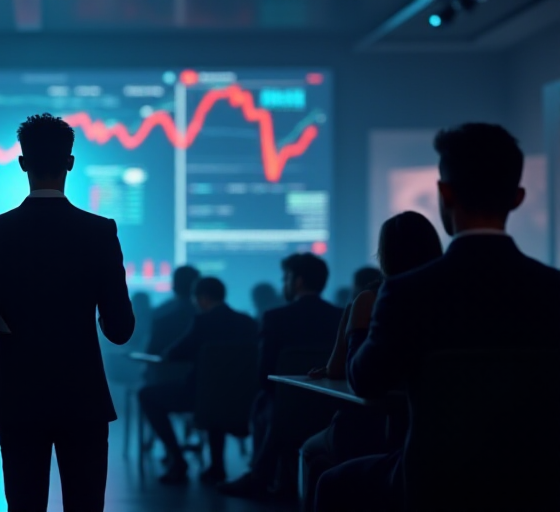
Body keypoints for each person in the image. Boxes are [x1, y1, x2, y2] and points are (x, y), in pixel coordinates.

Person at [316, 124, 560, 512]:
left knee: (331, 483)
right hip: (541, 481)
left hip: (433, 480)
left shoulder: (407, 292)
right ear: (517, 198)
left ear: (444, 193)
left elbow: (366, 381)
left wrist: (359, 324)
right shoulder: (553, 289)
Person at [0, 113, 136, 512]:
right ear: (70, 163)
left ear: (22, 163)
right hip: (83, 398)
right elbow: (120, 330)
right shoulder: (100, 232)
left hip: (18, 399)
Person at [300, 212, 442, 511]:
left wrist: (353, 319)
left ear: (385, 254)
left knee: (312, 453)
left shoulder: (371, 300)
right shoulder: (447, 299)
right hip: (440, 439)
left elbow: (352, 375)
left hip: (374, 430)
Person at [218, 252, 342, 497]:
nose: (283, 284)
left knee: (264, 400)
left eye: (285, 278)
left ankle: (260, 474)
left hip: (285, 409)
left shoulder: (275, 318)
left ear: (297, 281)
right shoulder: (340, 316)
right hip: (332, 406)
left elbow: (265, 374)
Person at [138, 277, 258, 484]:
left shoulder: (203, 322)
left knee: (147, 395)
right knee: (216, 397)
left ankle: (177, 458)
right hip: (242, 397)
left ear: (202, 298)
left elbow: (172, 354)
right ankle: (216, 466)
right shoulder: (247, 322)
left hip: (200, 396)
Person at [145, 265, 200, 355]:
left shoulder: (161, 313)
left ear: (174, 285)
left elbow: (151, 350)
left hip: (162, 366)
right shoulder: (206, 314)